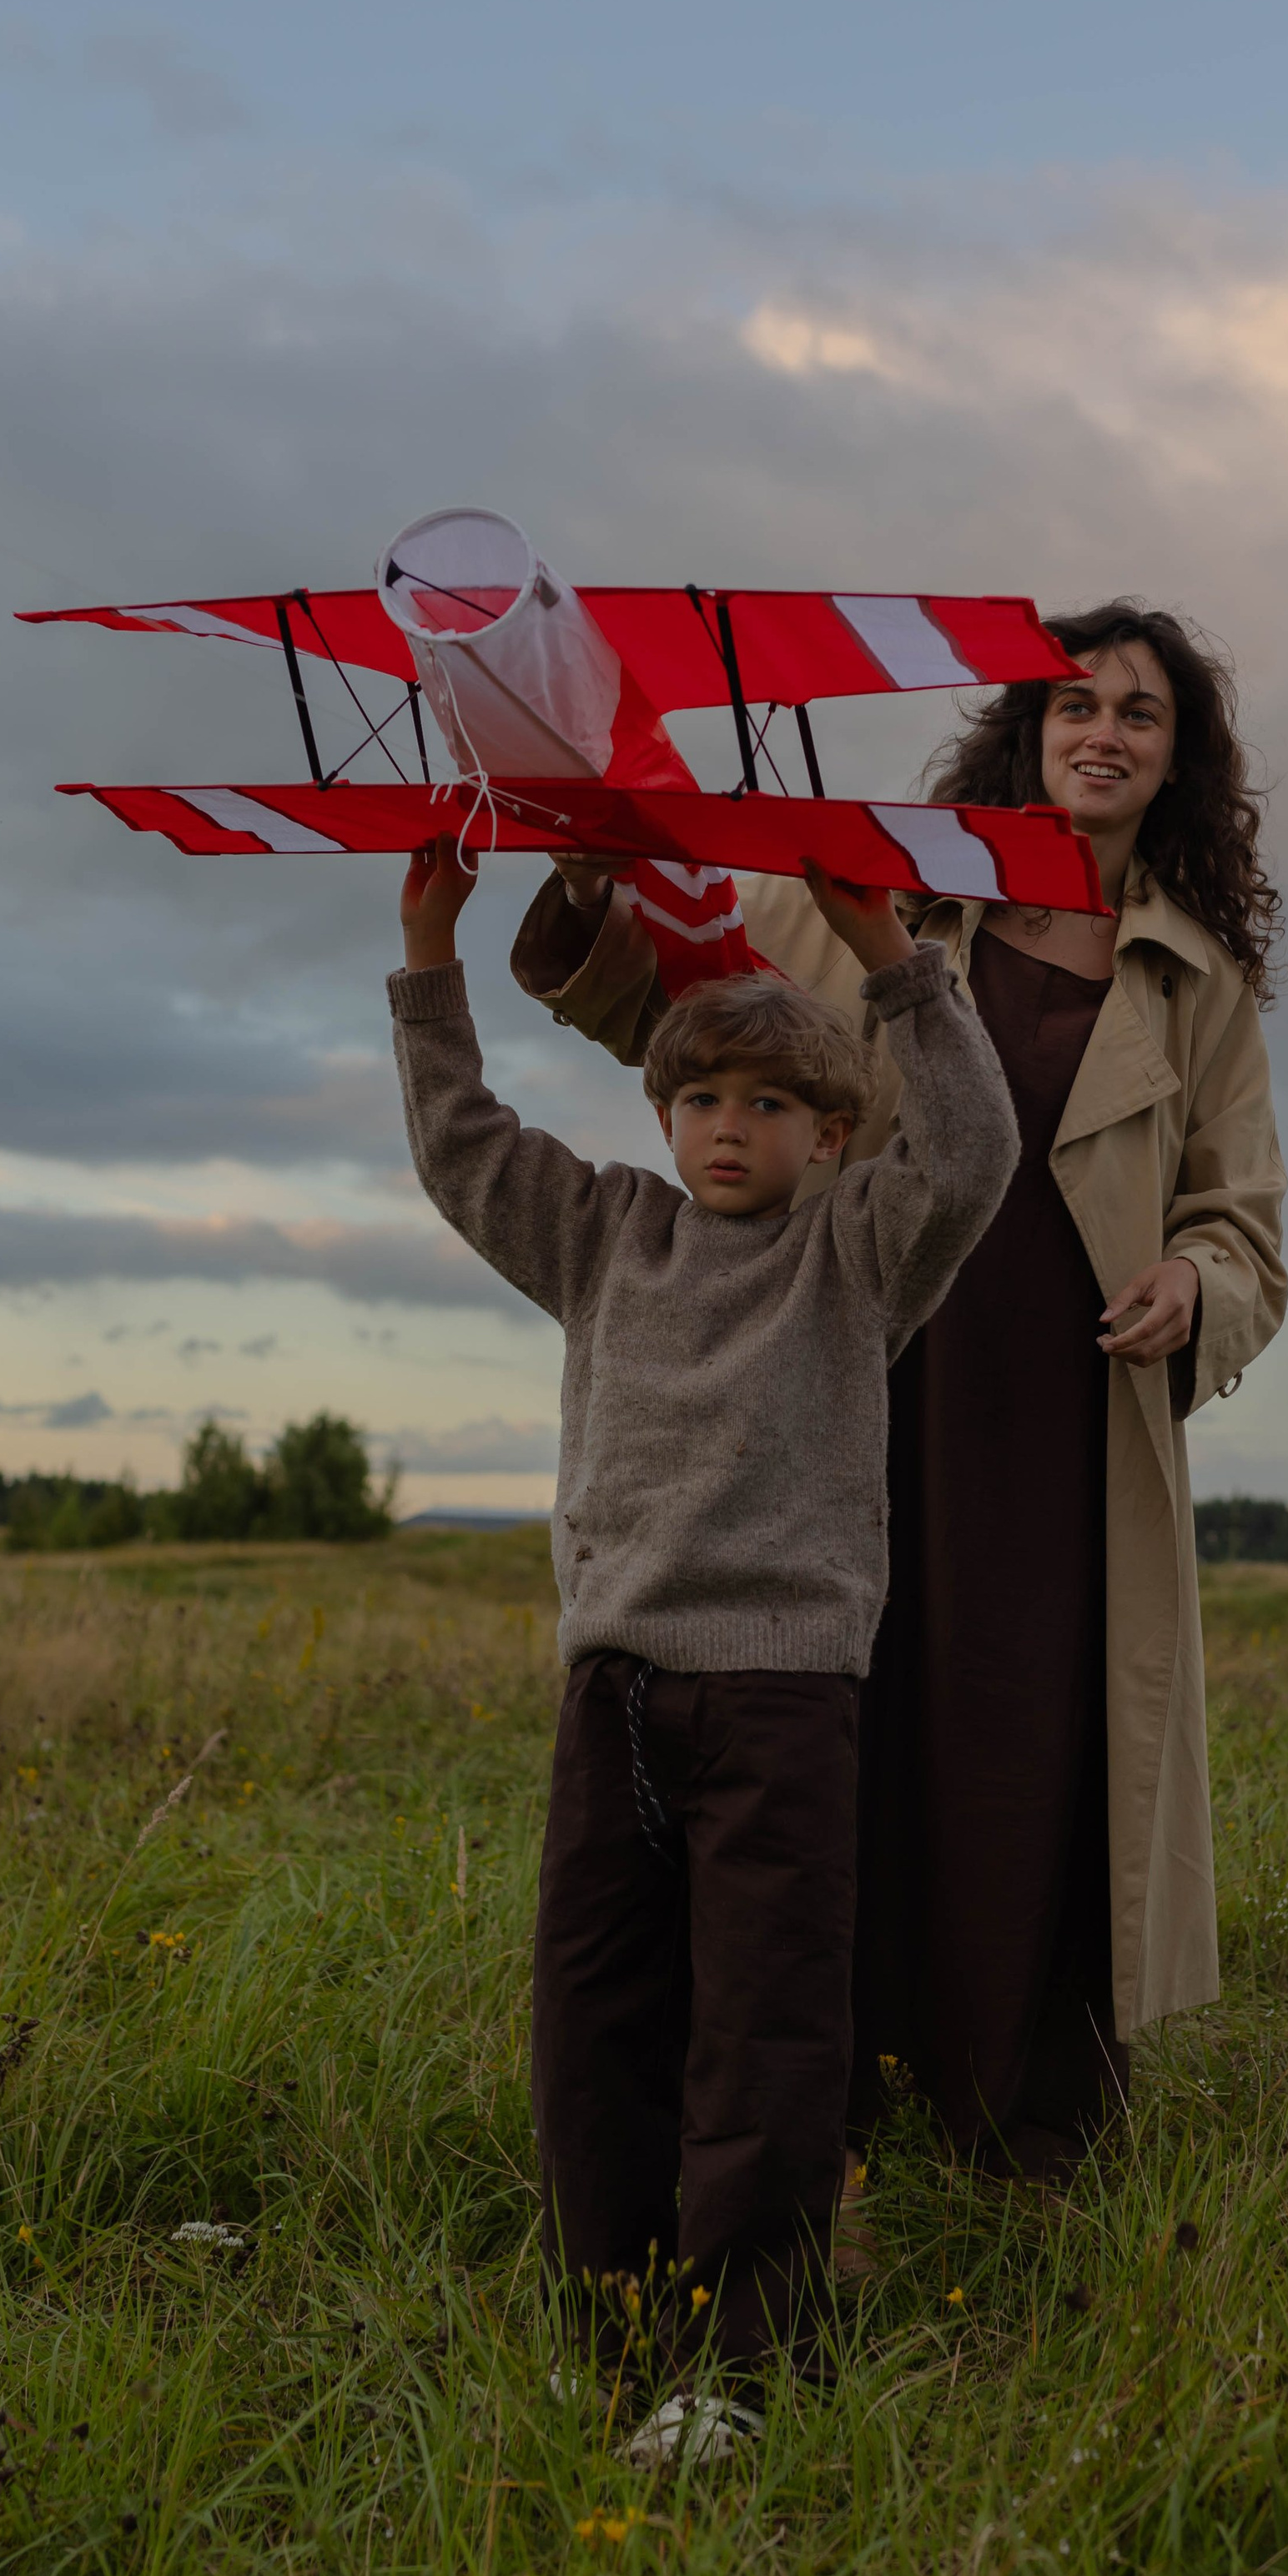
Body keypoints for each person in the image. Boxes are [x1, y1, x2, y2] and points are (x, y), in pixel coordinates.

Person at [511, 601, 1287, 2191]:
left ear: (1177, 760)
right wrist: (589, 886)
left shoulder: (1197, 982)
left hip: (1064, 1421)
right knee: (838, 1736)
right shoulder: (872, 892)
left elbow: (1244, 1224)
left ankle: (1016, 2122)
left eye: (1141, 713)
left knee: (1024, 1746)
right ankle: (821, 2129)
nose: (1104, 732)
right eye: (1076, 705)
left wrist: (1196, 1283)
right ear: (1028, 733)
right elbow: (681, 1009)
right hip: (849, 1391)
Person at [389, 841, 1016, 2423]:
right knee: (594, 2019)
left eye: (771, 1105)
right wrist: (429, 954)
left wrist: (894, 960)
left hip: (784, 1704)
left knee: (767, 2031)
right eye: (704, 1100)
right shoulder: (604, 1233)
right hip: (614, 1693)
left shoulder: (856, 1253)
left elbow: (975, 1152)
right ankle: (610, 2331)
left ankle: (743, 2366)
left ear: (831, 1134)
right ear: (665, 1114)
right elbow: (462, 1146)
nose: (732, 1128)